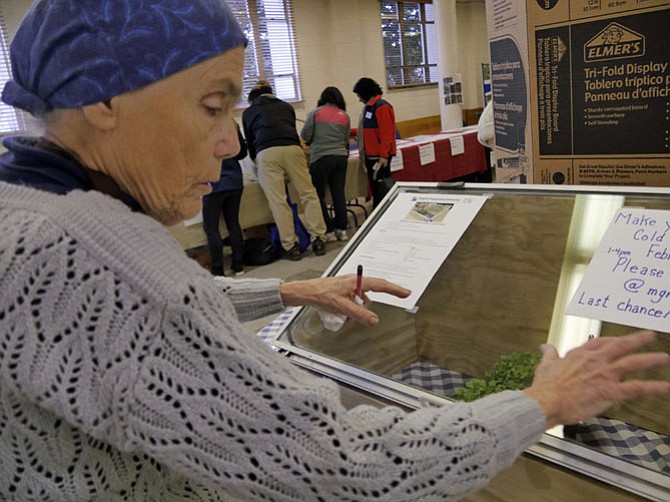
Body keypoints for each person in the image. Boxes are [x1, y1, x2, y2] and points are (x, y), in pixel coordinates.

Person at [0, 2, 668, 501]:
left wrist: (288, 289)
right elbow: (340, 465)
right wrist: (539, 404)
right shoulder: (93, 248)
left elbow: (147, 307)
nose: (231, 143)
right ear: (102, 101)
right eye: (212, 106)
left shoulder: (24, 210)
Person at [242, 80, 327, 261]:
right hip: (292, 148)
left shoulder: (249, 112)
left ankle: (291, 246)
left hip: (266, 152)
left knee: (278, 201)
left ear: (252, 98)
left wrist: (258, 162)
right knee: (308, 193)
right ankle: (319, 238)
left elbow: (250, 142)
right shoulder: (286, 106)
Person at [301, 86, 351, 242]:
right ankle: (342, 229)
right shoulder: (344, 115)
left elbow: (305, 135)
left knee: (318, 194)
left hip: (321, 157)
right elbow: (346, 140)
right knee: (338, 193)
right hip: (341, 157)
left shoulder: (316, 113)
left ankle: (328, 230)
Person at [202, 119, 246, 276]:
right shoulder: (230, 123)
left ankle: (218, 269)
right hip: (234, 180)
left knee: (211, 227)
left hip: (213, 182)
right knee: (233, 223)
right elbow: (242, 153)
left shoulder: (199, 124)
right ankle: (238, 265)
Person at [352, 77, 397, 208]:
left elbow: (386, 133)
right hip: (371, 154)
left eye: (359, 96)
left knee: (381, 188)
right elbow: (365, 130)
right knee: (375, 187)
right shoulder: (369, 107)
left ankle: (382, 213)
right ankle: (379, 212)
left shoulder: (381, 107)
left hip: (379, 156)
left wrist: (383, 155)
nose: (359, 99)